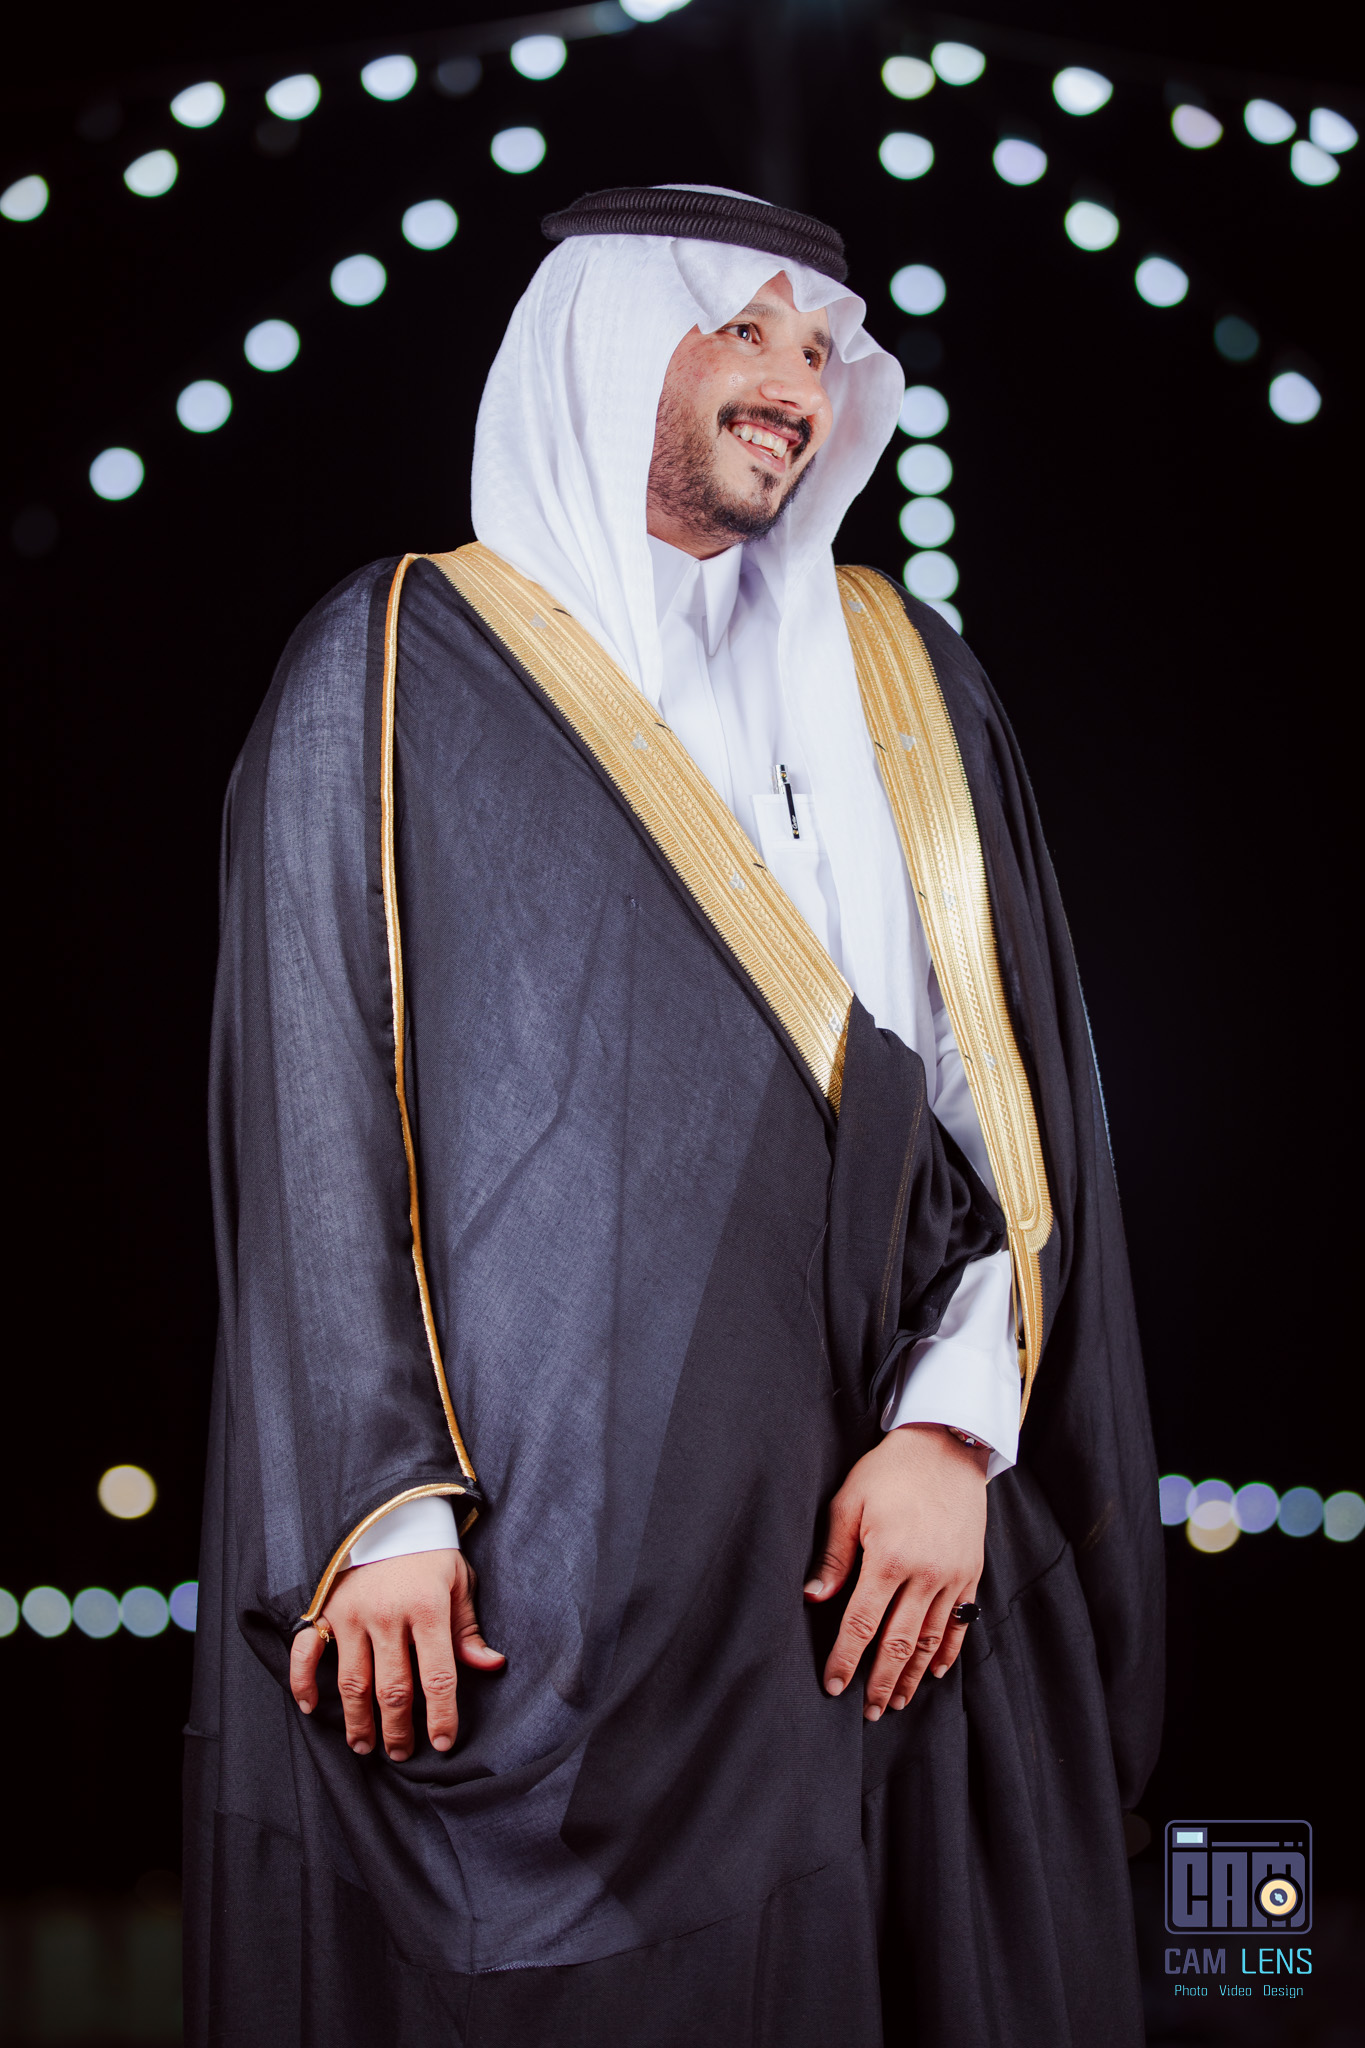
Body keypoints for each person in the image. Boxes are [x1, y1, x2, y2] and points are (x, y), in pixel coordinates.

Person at [185, 185, 1163, 2047]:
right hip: (542, 1568)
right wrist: (379, 1511)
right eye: (744, 330)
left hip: (884, 1560)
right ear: (614, 341)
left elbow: (1006, 1103)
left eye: (820, 350)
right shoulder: (392, 662)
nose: (794, 384)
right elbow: (315, 1100)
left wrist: (952, 1432)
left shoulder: (905, 675)